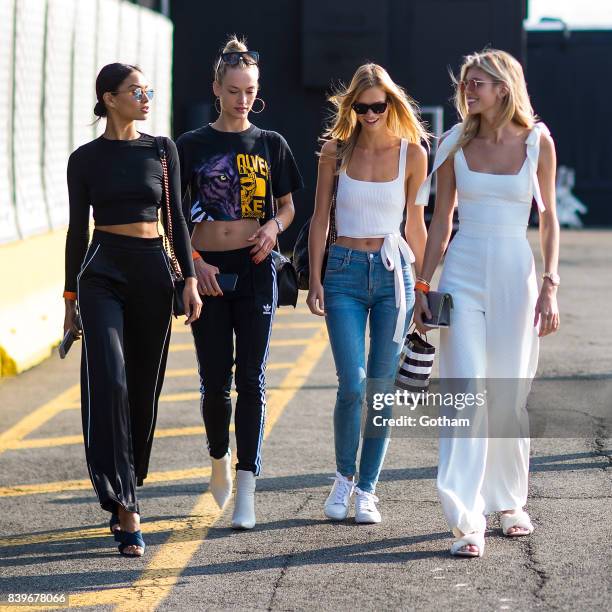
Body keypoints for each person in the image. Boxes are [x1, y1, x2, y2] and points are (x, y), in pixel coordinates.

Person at [413, 49, 560, 557]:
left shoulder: (538, 142)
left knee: (507, 394)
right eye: (466, 83)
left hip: (517, 276)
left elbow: (551, 220)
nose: (468, 90)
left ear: (504, 87)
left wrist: (551, 284)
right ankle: (464, 518)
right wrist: (422, 286)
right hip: (463, 274)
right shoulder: (454, 141)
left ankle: (510, 503)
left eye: (479, 83)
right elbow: (440, 222)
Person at [64, 63, 201, 556]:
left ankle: (129, 481)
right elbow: (77, 231)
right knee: (111, 379)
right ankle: (125, 506)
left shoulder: (162, 150)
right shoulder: (84, 160)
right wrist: (70, 298)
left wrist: (188, 279)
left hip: (151, 273)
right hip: (102, 273)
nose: (146, 97)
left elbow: (177, 218)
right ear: (109, 98)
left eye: (148, 90)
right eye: (135, 91)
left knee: (143, 388)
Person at [176, 36, 303, 530]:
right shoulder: (191, 145)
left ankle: (248, 487)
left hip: (255, 270)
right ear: (216, 88)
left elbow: (290, 205)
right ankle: (217, 462)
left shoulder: (271, 144)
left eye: (249, 91)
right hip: (207, 272)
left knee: (251, 379)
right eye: (233, 90)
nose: (242, 99)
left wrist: (273, 227)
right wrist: (194, 263)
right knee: (214, 384)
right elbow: (174, 215)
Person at [307, 63, 429, 524]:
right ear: (351, 107)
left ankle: (367, 489)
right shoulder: (334, 151)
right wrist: (315, 279)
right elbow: (320, 218)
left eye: (378, 105)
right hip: (342, 270)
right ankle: (342, 477)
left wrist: (424, 287)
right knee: (351, 386)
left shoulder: (412, 155)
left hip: (394, 271)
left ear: (391, 103)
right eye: (361, 106)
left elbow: (416, 223)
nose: (370, 113)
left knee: (380, 390)